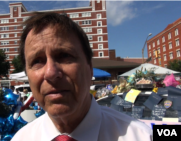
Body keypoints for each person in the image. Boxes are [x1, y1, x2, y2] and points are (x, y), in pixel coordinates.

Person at [12, 12, 152, 141]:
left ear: (90, 68)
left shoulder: (142, 136)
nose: (50, 73)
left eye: (65, 55)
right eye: (37, 61)